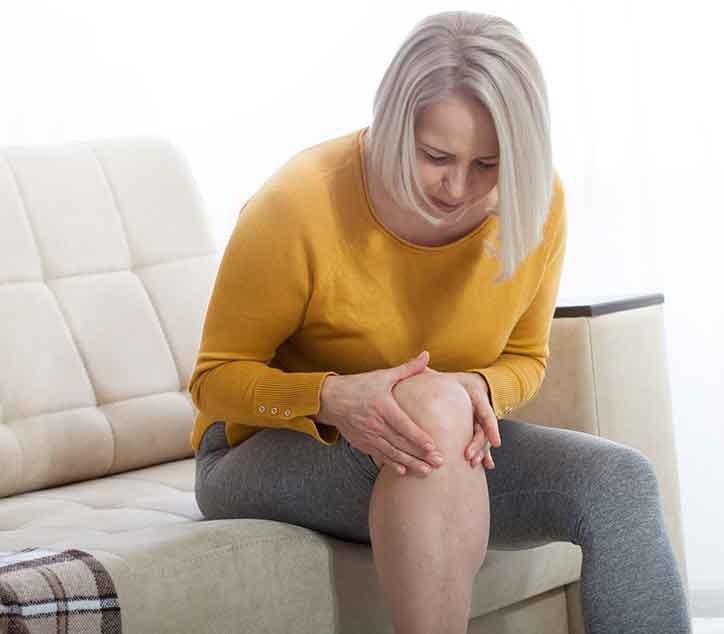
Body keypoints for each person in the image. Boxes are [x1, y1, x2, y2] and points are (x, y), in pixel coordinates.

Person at [188, 10, 690, 634]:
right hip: (262, 456)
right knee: (433, 406)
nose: (459, 187)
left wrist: (479, 390)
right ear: (397, 124)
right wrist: (334, 398)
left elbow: (526, 357)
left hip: (437, 440)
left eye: (489, 164)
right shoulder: (297, 206)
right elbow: (212, 382)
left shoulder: (536, 201)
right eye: (437, 157)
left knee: (620, 482)